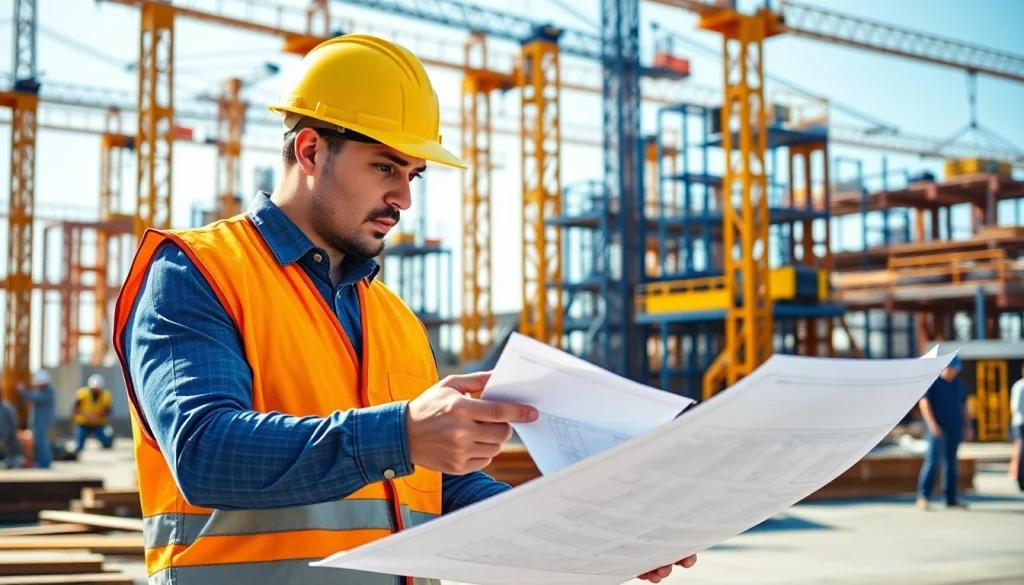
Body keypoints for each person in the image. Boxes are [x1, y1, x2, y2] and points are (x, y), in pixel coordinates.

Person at [113, 34, 696, 585]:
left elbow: (433, 490)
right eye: (385, 167)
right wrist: (400, 433)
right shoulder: (197, 271)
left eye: (412, 174)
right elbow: (205, 451)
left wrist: (589, 530)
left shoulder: (393, 318)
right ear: (311, 149)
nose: (405, 198)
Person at [916, 355, 972, 510]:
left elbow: (964, 406)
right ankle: (923, 496)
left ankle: (951, 498)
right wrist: (932, 424)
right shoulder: (934, 384)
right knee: (933, 461)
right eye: (951, 369)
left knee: (951, 463)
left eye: (956, 370)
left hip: (954, 428)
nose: (953, 372)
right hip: (937, 429)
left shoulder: (958, 385)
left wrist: (967, 426)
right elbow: (924, 403)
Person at [19, 371, 56, 469]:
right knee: (39, 442)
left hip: (42, 422)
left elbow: (33, 397)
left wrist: (22, 391)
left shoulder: (48, 392)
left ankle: (44, 463)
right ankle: (41, 461)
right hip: (39, 421)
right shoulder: (43, 391)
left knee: (41, 442)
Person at [72, 374, 115, 454]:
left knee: (106, 443)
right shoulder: (82, 393)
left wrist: (97, 416)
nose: (96, 391)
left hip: (98, 423)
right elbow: (75, 408)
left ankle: (109, 439)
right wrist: (86, 415)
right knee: (79, 446)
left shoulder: (106, 395)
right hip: (83, 422)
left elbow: (108, 410)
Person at [1009, 364, 1024, 491]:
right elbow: (1016, 407)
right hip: (1021, 423)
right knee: (1022, 452)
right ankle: (1021, 480)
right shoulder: (1020, 386)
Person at [0, 394, 23, 469]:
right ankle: (9, 462)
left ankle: (13, 462)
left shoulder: (7, 406)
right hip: (2, 432)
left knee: (11, 447)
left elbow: (13, 420)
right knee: (6, 448)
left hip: (9, 431)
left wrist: (14, 429)